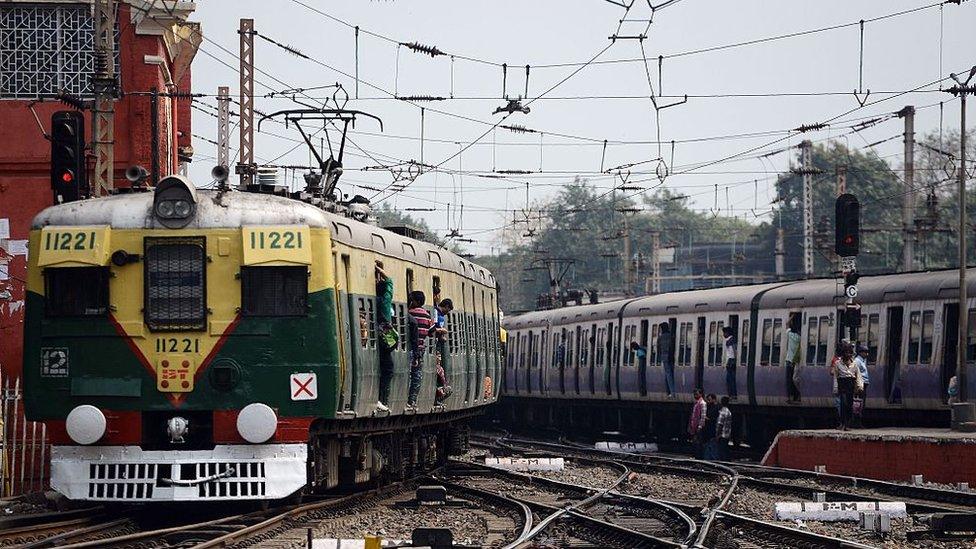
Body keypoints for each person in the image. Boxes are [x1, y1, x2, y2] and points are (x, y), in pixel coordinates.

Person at [374, 261, 396, 413]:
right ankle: (382, 399)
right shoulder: (385, 302)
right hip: (385, 338)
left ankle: (380, 399)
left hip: (374, 337)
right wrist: (380, 270)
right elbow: (390, 283)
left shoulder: (374, 301)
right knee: (388, 369)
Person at [406, 291, 433, 410]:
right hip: (421, 348)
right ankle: (412, 400)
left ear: (415, 301)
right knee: (417, 374)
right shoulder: (427, 315)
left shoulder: (409, 313)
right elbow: (432, 332)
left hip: (410, 348)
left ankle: (405, 398)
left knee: (409, 374)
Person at [829, 341, 863, 431]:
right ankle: (843, 423)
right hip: (842, 384)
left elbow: (858, 376)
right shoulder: (837, 364)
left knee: (850, 405)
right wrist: (835, 388)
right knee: (843, 403)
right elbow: (836, 377)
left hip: (851, 384)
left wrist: (860, 386)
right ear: (843, 354)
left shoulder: (854, 364)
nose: (848, 355)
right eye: (846, 352)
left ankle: (847, 424)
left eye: (850, 353)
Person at [432, 298, 455, 404]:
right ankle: (439, 392)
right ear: (445, 306)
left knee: (440, 370)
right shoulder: (436, 312)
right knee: (438, 369)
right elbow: (433, 328)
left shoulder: (441, 315)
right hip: (435, 346)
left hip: (438, 345)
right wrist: (442, 331)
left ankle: (440, 390)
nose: (447, 312)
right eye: (448, 310)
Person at [785, 314, 802, 402]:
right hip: (797, 360)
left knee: (789, 380)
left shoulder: (789, 334)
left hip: (789, 360)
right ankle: (798, 395)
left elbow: (786, 324)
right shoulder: (800, 338)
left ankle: (789, 397)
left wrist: (792, 315)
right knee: (796, 378)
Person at [853, 343, 870, 428]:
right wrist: (857, 385)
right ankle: (856, 422)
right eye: (865, 352)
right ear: (860, 352)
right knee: (858, 403)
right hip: (860, 384)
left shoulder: (863, 361)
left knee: (861, 403)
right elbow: (855, 373)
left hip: (864, 383)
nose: (867, 354)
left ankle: (858, 422)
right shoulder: (857, 361)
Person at [688, 389, 706, 457]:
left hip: (698, 426)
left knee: (698, 442)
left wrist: (700, 426)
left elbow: (703, 416)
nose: (695, 395)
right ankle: (696, 455)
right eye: (694, 394)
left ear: (701, 394)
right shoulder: (696, 403)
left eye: (696, 394)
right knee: (695, 442)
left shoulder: (702, 403)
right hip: (694, 426)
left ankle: (698, 455)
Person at [658, 323, 675, 398]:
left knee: (668, 374)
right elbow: (672, 346)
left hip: (664, 357)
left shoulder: (660, 338)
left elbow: (658, 348)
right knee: (671, 374)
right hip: (671, 357)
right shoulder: (671, 336)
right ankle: (671, 391)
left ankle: (671, 392)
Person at [703, 393, 719, 459]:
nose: (708, 401)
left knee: (712, 445)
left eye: (709, 400)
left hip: (713, 428)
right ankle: (708, 458)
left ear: (714, 399)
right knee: (708, 445)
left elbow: (717, 419)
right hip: (708, 429)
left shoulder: (717, 408)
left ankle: (713, 458)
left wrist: (708, 419)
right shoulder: (708, 407)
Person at [722, 327, 737, 400]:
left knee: (730, 379)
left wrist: (733, 361)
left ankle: (732, 395)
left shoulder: (730, 341)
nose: (723, 334)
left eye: (724, 333)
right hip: (730, 361)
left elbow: (733, 351)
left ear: (728, 333)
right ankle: (732, 394)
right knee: (730, 379)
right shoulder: (731, 340)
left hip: (731, 361)